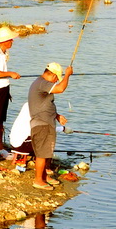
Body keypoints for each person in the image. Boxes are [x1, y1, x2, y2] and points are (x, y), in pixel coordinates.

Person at [28, 62, 73, 190]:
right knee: (42, 153)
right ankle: (38, 180)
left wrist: (57, 116)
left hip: (46, 122)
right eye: (56, 78)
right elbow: (60, 89)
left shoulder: (42, 84)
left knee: (47, 151)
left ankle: (44, 177)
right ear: (52, 74)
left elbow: (44, 104)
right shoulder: (42, 83)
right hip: (42, 124)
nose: (56, 81)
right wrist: (67, 75)